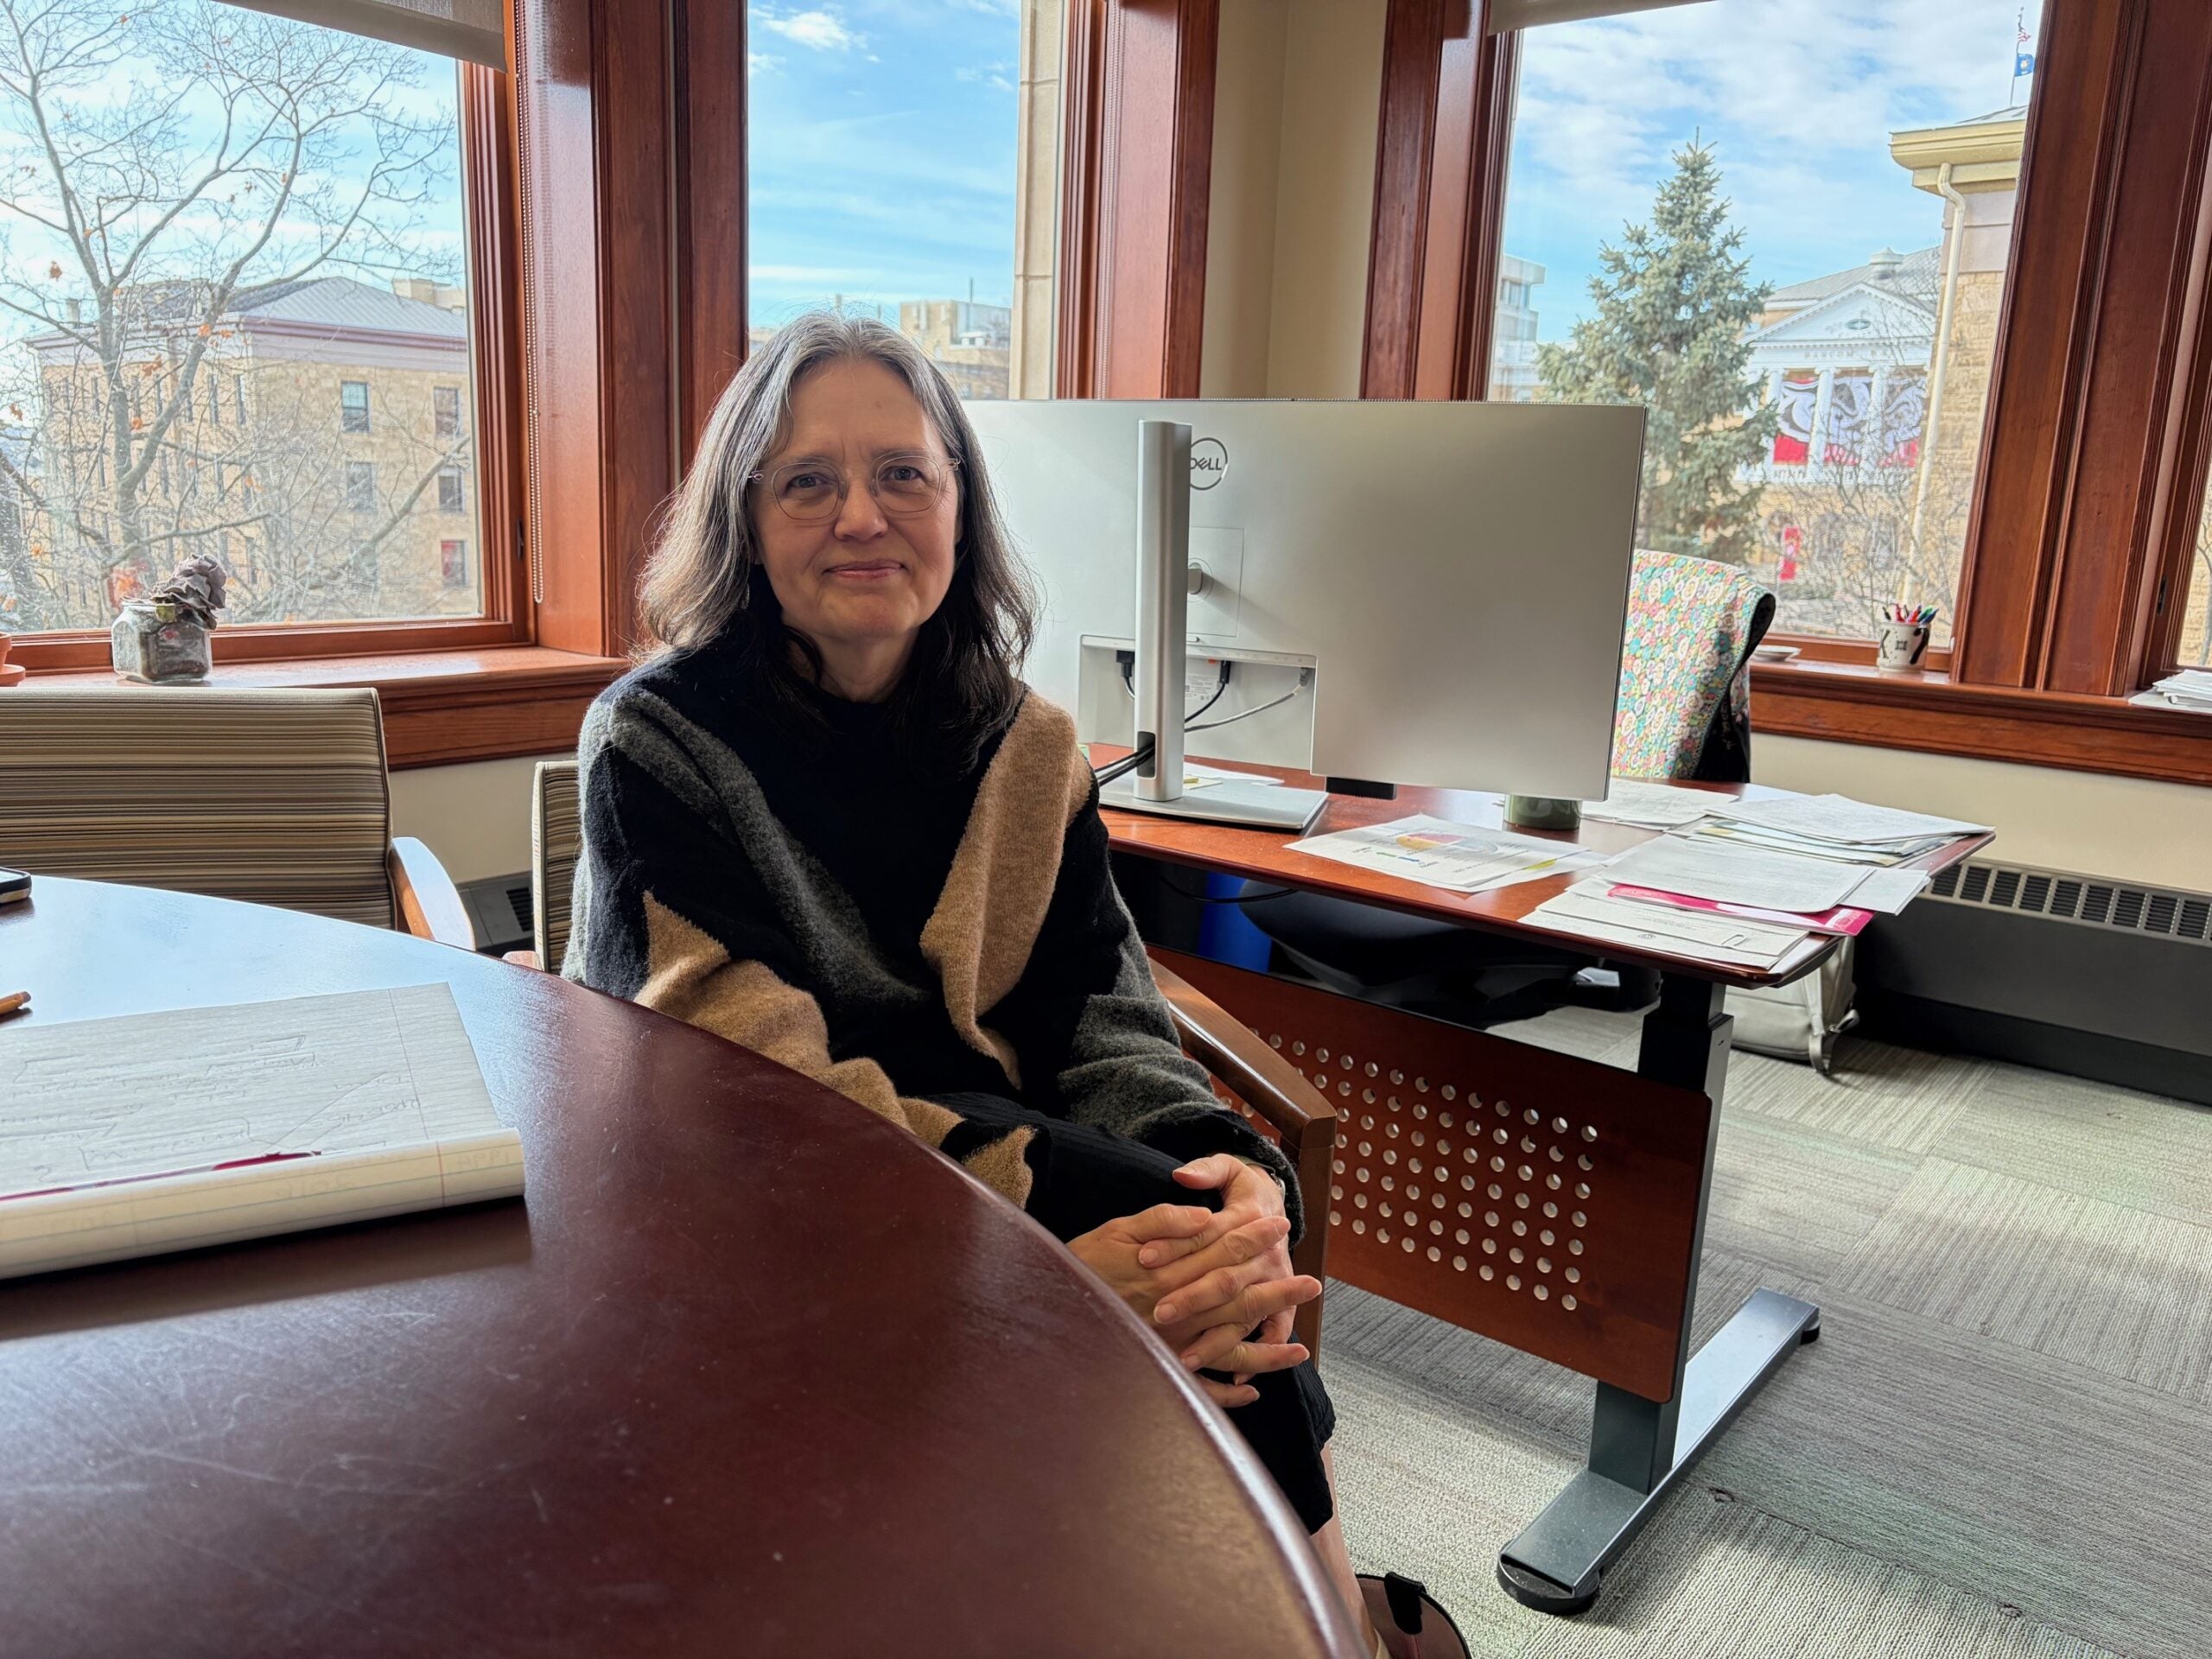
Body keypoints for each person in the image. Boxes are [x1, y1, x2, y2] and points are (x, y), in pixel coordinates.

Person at [564, 310, 1465, 1659]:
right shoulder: (659, 741)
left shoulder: (1024, 739)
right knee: (1157, 1236)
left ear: (960, 507)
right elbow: (749, 1098)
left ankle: (1287, 1616)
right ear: (745, 521)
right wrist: (1034, 1261)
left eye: (903, 474)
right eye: (808, 481)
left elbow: (1101, 1011)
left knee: (1202, 1226)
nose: (862, 516)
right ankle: (1336, 1626)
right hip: (749, 1209)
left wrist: (1226, 1164)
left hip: (983, 1163)